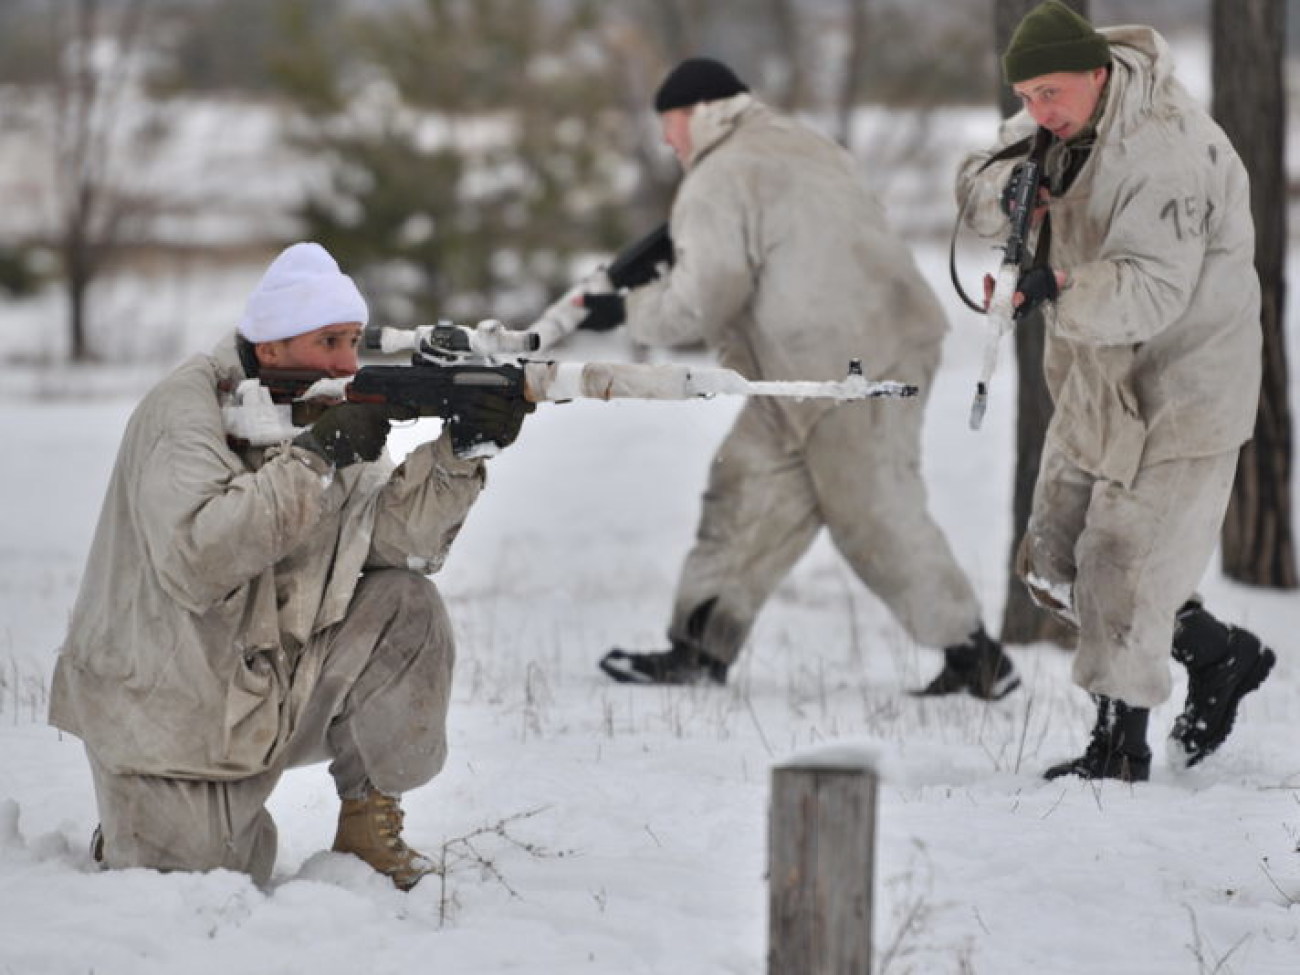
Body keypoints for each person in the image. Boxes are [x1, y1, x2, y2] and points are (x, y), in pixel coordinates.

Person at [49, 242, 531, 889]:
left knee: (406, 603)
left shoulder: (319, 411)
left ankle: (367, 823)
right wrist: (316, 457)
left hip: (268, 682)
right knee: (203, 876)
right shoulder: (184, 412)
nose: (346, 362)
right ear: (271, 348)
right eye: (329, 341)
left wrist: (461, 454)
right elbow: (199, 559)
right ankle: (142, 821)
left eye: (354, 340)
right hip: (165, 703)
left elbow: (393, 539)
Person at [587, 57, 1018, 700]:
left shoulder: (718, 176)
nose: (666, 141)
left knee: (872, 510)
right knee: (745, 489)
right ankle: (698, 649)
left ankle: (976, 657)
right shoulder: (802, 140)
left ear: (697, 112)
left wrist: (627, 309)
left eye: (669, 125)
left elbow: (708, 296)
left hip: (848, 365)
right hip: (828, 359)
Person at [955, 1, 1275, 782]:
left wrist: (1055, 284)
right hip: (1097, 379)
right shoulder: (1054, 121)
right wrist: (1009, 197)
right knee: (1052, 562)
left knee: (1118, 566)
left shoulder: (1165, 151)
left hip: (1181, 387)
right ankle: (1220, 653)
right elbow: (975, 180)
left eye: (1051, 94)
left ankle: (1118, 752)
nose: (1036, 111)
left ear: (1097, 74)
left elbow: (1151, 291)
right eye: (1026, 96)